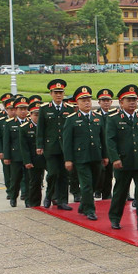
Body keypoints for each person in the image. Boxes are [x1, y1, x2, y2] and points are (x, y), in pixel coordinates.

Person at [106, 85, 138, 231]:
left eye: (134, 100)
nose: (133, 103)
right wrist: (115, 158)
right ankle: (115, 218)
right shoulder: (114, 119)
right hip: (123, 162)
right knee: (120, 192)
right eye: (129, 100)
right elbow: (110, 140)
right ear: (121, 102)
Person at [63, 86, 109, 220]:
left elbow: (103, 138)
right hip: (81, 158)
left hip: (96, 156)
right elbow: (67, 142)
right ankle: (90, 210)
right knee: (86, 184)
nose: (87, 103)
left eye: (88, 100)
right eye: (83, 101)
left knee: (95, 183)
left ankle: (84, 204)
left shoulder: (97, 117)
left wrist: (105, 155)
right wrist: (68, 159)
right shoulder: (71, 119)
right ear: (77, 103)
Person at [37, 79, 75, 209]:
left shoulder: (69, 109)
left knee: (64, 175)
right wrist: (39, 145)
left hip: (65, 147)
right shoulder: (44, 109)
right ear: (51, 93)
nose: (59, 95)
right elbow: (40, 129)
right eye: (56, 92)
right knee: (53, 173)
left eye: (61, 92)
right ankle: (49, 195)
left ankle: (63, 200)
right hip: (50, 147)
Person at [2, 96, 31, 207]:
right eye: (20, 109)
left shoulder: (30, 123)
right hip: (16, 156)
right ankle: (13, 197)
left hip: (28, 156)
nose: (23, 111)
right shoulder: (9, 124)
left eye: (25, 109)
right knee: (15, 178)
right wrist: (7, 157)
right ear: (15, 110)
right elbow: (7, 142)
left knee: (28, 179)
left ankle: (28, 199)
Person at [22, 97, 44, 208]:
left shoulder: (47, 127)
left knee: (54, 176)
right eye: (35, 115)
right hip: (33, 159)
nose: (38, 117)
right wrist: (27, 161)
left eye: (40, 114)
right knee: (35, 182)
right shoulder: (25, 128)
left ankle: (53, 198)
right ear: (30, 115)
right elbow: (24, 147)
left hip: (46, 157)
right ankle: (34, 202)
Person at [94, 88, 116, 200]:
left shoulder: (115, 114)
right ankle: (98, 189)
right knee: (100, 171)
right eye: (103, 100)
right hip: (99, 147)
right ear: (99, 102)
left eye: (108, 100)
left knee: (109, 173)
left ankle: (107, 193)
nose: (106, 102)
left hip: (110, 147)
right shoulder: (95, 115)